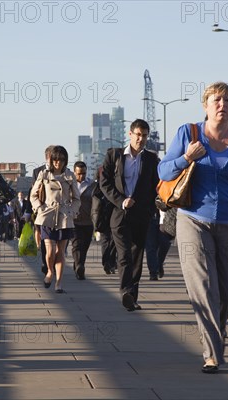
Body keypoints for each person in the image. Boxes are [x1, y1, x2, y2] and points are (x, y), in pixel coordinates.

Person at [158, 82, 228, 374]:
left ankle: (215, 332)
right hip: (193, 218)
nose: (223, 104)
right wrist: (187, 157)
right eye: (217, 100)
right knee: (205, 287)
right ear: (205, 105)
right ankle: (211, 353)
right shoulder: (188, 133)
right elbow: (163, 171)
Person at [100, 119, 159, 312]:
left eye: (144, 136)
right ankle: (125, 291)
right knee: (124, 254)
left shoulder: (151, 160)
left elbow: (157, 187)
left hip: (142, 216)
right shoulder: (114, 156)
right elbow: (104, 183)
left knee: (136, 256)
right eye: (138, 135)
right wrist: (121, 200)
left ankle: (132, 298)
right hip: (119, 214)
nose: (141, 139)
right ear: (130, 134)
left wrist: (155, 206)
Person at [30, 145, 80, 293]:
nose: (58, 163)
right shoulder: (44, 174)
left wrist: (72, 211)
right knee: (50, 251)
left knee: (61, 251)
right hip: (47, 215)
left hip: (64, 216)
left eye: (62, 160)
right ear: (51, 160)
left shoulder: (70, 176)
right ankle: (50, 272)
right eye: (56, 160)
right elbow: (33, 195)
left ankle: (58, 282)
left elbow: (76, 198)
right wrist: (39, 208)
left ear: (65, 161)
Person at [32, 145, 56, 275]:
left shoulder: (65, 171)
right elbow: (33, 191)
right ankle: (45, 263)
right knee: (44, 239)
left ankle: (54, 264)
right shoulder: (37, 172)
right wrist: (37, 208)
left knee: (57, 242)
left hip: (59, 211)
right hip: (43, 210)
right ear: (47, 157)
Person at [71, 161, 96, 280]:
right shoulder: (69, 184)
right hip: (73, 220)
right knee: (76, 244)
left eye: (84, 173)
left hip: (88, 221)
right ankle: (80, 266)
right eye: (79, 173)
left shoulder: (92, 185)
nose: (82, 176)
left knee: (85, 245)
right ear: (74, 172)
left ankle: (78, 264)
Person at [145, 208, 172, 280]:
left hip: (165, 218)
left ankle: (159, 263)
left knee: (165, 243)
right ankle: (153, 272)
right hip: (149, 217)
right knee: (150, 246)